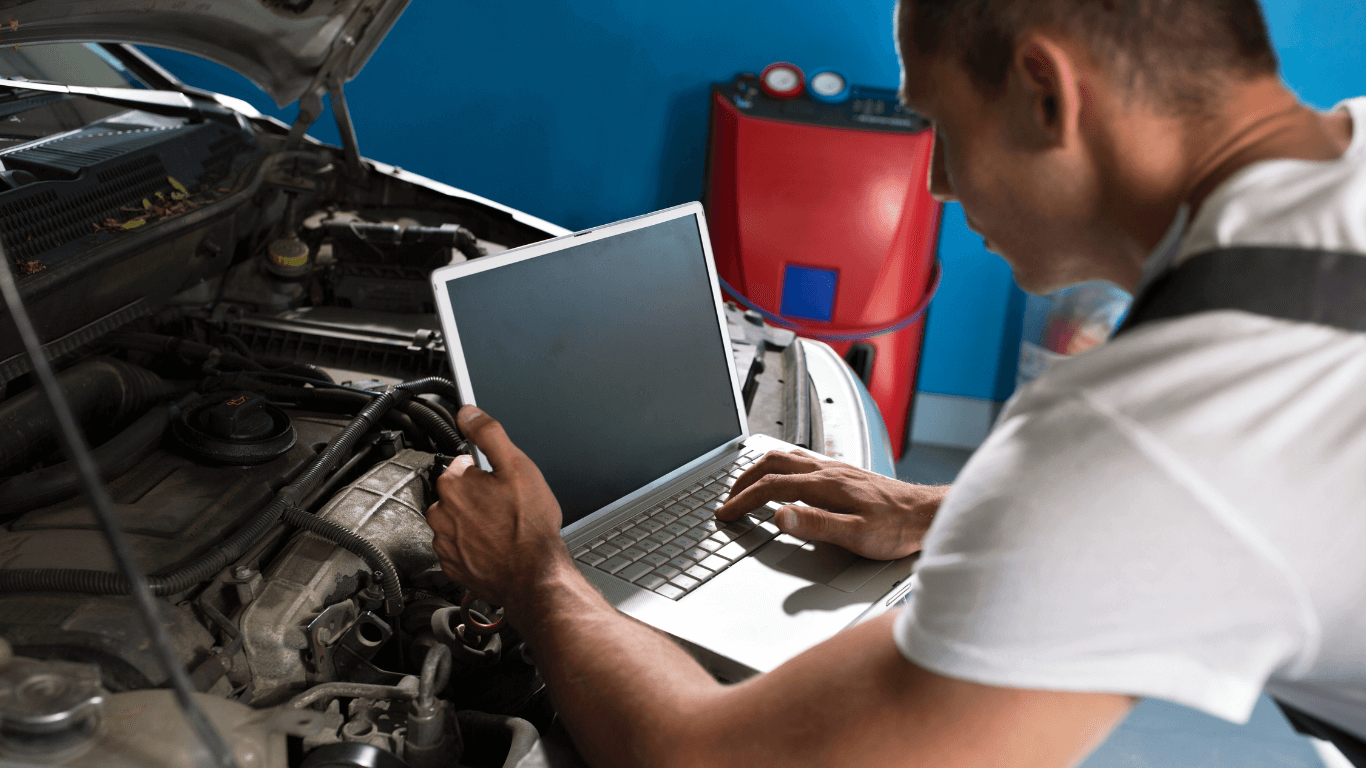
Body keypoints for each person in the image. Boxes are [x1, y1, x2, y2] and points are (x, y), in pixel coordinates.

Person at [425, 0, 1366, 765]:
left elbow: (709, 763)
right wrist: (940, 512)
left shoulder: (1151, 430)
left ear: (1046, 91)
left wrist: (537, 573)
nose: (939, 185)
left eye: (941, 130)